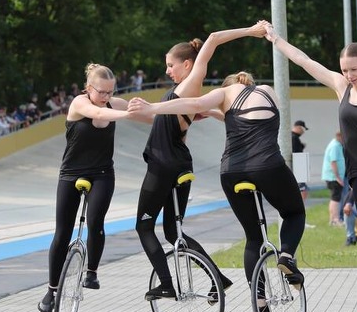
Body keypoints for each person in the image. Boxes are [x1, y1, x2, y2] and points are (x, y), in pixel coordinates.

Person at [128, 70, 306, 298]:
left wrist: (152, 107)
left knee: (253, 239)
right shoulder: (267, 91)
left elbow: (198, 103)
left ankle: (260, 304)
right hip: (268, 166)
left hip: (231, 172)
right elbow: (246, 117)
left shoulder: (224, 92)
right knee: (294, 213)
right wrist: (214, 112)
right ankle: (286, 256)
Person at [263, 21, 357, 293]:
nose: (349, 75)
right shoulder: (341, 87)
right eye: (344, 70)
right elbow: (304, 61)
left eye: (354, 69)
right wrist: (276, 39)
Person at [131, 23, 267, 301]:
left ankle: (167, 284)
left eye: (171, 65)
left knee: (144, 227)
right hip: (179, 163)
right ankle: (218, 278)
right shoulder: (185, 95)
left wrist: (251, 30)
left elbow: (213, 38)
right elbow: (176, 120)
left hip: (163, 165)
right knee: (173, 232)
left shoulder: (191, 82)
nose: (167, 70)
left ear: (187, 64)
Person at [38, 63, 150, 312]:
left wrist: (171, 117)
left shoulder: (114, 104)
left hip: (102, 174)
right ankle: (51, 290)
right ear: (89, 88)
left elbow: (148, 116)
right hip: (71, 174)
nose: (106, 97)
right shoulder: (79, 103)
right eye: (101, 92)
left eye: (110, 92)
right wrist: (127, 115)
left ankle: (92, 272)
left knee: (96, 221)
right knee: (62, 232)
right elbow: (98, 114)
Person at [321, 131, 345, 226]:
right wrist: (338, 177)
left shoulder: (336, 144)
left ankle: (333, 219)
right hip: (333, 177)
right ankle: (335, 219)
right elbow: (333, 162)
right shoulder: (335, 146)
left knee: (334, 198)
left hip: (333, 177)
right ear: (340, 136)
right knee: (335, 199)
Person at [291, 120, 309, 199]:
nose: (303, 132)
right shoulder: (294, 138)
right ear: (298, 128)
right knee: (303, 191)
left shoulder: (292, 137)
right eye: (303, 129)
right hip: (297, 169)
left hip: (296, 169)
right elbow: (296, 153)